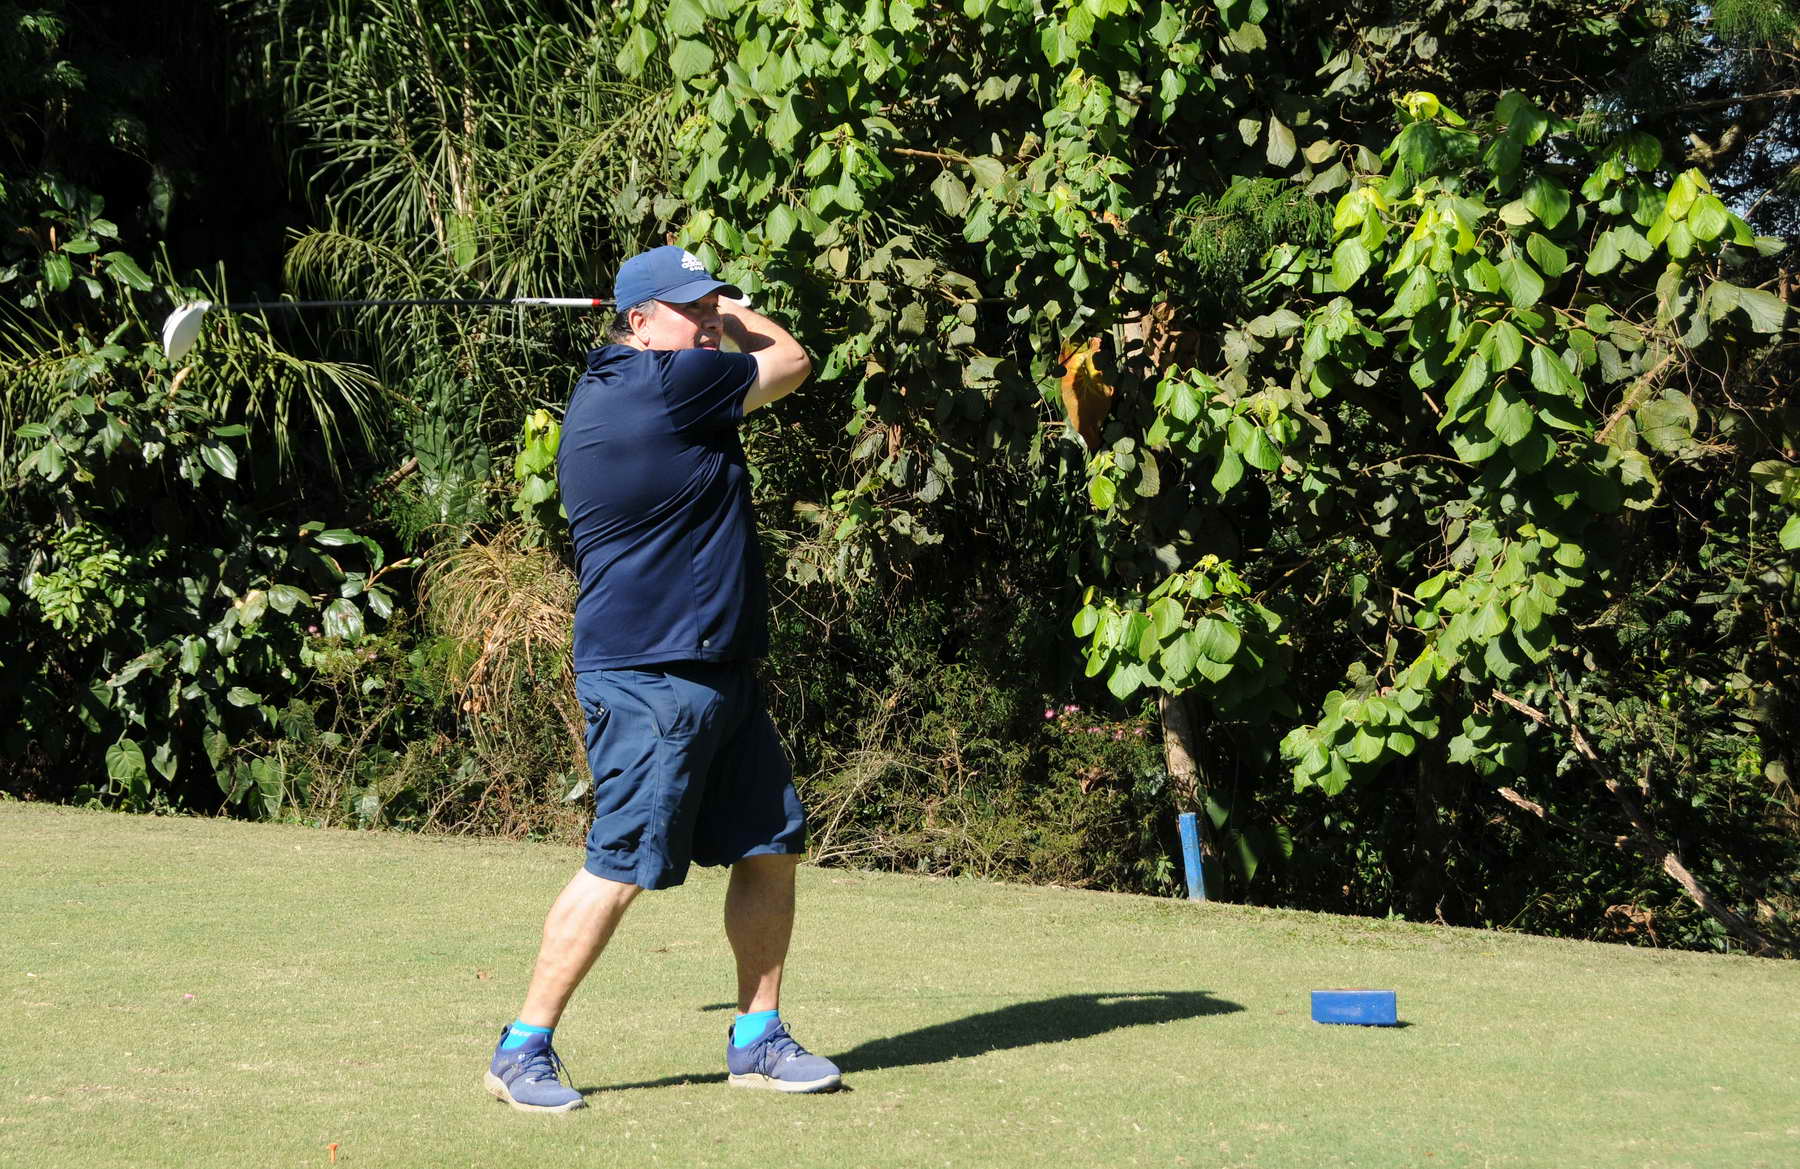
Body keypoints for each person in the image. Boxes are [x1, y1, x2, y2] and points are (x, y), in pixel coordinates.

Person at [482, 246, 838, 1111]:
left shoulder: (635, 379)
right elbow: (793, 359)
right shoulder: (664, 384)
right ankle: (521, 1047)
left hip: (713, 667)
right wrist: (742, 310)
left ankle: (757, 1036)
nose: (710, 319)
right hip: (652, 675)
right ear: (638, 322)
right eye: (693, 307)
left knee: (770, 845)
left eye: (712, 303)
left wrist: (708, 312)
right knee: (621, 863)